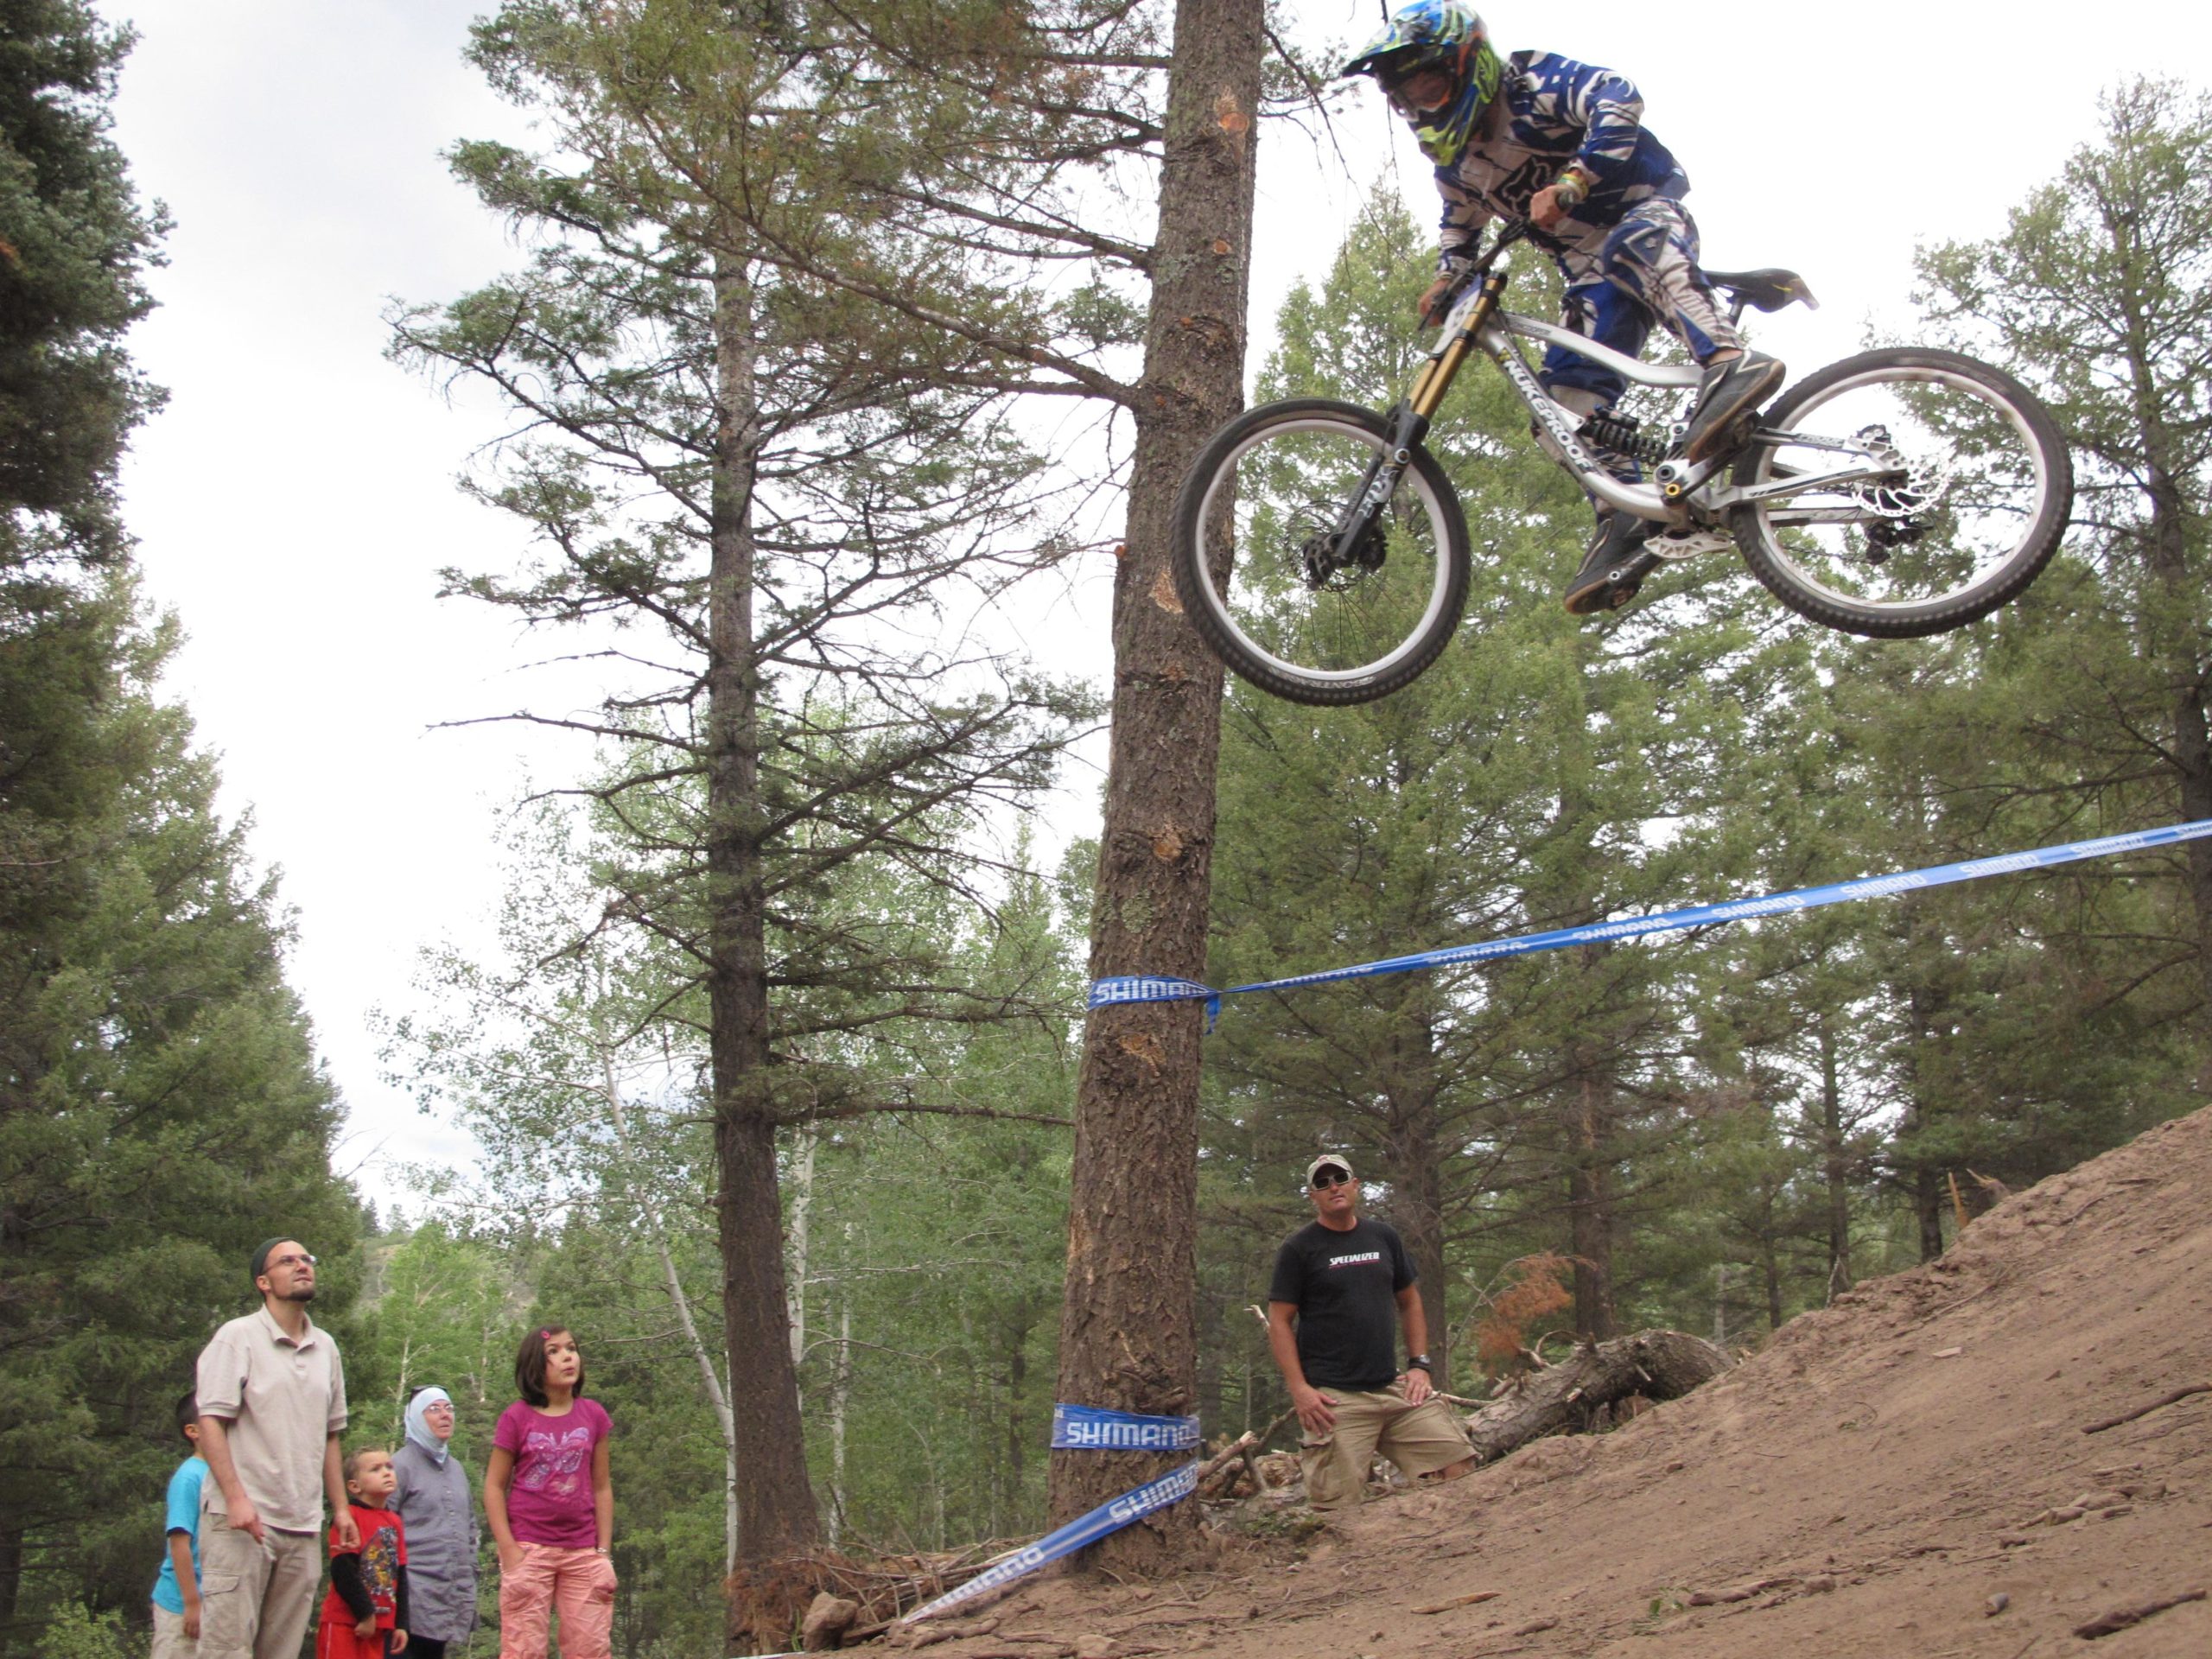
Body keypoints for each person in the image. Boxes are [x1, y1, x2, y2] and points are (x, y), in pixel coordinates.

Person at [1342, 1, 1786, 616]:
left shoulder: (1536, 87)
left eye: (1427, 83)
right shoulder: (1457, 163)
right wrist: (1447, 279)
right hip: (1588, 273)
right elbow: (1459, 228)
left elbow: (1619, 95)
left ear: (1464, 63)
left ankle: (1729, 361)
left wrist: (1575, 180)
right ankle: (1628, 514)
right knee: (1561, 413)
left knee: (1632, 245)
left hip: (1645, 214)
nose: (1420, 104)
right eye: (1405, 96)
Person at [1268, 1154, 1475, 1509]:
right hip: (1335, 1400)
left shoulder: (1383, 1237)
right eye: (1322, 1182)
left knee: (1458, 1462)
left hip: (1393, 1389)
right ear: (1312, 1196)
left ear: (1355, 1184)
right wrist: (1300, 1389)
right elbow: (1279, 1321)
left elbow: (1410, 1302)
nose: (1333, 1186)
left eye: (1340, 1178)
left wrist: (1419, 1365)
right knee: (1336, 1510)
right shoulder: (1299, 1249)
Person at [194, 1237, 353, 1659]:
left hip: (302, 1527)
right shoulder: (238, 1336)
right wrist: (235, 1499)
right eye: (288, 1261)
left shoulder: (327, 1348)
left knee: (280, 1652)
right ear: (263, 1281)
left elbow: (331, 1433)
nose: (302, 1266)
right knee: (226, 1650)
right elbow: (210, 1420)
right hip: (242, 1522)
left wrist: (340, 1509)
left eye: (306, 1259)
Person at [484, 1326, 615, 1659]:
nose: (567, 1356)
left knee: (591, 1650)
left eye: (571, 1348)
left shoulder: (594, 1415)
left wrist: (603, 1551)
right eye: (553, 1352)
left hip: (583, 1551)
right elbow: (494, 1486)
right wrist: (509, 1551)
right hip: (529, 1549)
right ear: (534, 1366)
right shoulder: (516, 1417)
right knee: (523, 1650)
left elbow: (602, 1486)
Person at [391, 1387, 477, 1659]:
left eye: (449, 1408)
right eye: (434, 1409)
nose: (445, 1416)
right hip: (410, 1599)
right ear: (416, 1417)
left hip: (447, 1596)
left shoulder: (457, 1469)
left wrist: (471, 1571)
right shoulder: (400, 1466)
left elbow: (470, 1526)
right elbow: (381, 1529)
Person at [315, 1446, 410, 1659]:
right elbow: (343, 1570)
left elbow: (401, 1574)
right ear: (354, 1486)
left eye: (389, 1466)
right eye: (375, 1469)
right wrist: (366, 1614)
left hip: (380, 1624)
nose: (386, 1472)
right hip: (345, 1621)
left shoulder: (394, 1521)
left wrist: (401, 1624)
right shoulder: (348, 1517)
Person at [150, 1391, 208, 1658]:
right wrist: (191, 1602)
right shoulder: (189, 1477)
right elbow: (179, 1542)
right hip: (180, 1604)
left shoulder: (225, 1473)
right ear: (193, 1431)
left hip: (215, 1602)